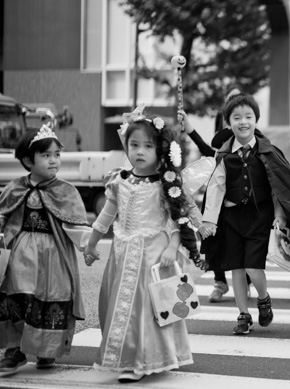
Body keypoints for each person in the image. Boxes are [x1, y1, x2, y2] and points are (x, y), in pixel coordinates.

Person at [82, 108, 200, 382]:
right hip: (123, 255)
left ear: (160, 150)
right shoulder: (119, 181)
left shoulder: (165, 184)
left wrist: (173, 247)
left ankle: (146, 360)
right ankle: (129, 357)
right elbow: (106, 216)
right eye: (134, 145)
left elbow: (175, 219)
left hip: (153, 256)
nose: (140, 151)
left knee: (149, 309)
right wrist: (91, 243)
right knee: (123, 308)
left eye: (148, 146)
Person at [199, 93, 290, 335]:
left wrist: (280, 216)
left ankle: (264, 298)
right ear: (228, 123)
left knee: (253, 267)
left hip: (260, 218)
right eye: (237, 117)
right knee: (236, 267)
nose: (243, 122)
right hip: (231, 219)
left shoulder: (268, 151)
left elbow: (279, 188)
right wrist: (209, 221)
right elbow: (216, 188)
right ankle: (243, 315)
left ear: (256, 120)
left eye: (248, 116)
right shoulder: (224, 155)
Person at [0, 126, 89, 374]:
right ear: (29, 160)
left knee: (50, 296)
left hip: (54, 255)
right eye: (46, 155)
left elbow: (75, 225)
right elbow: (2, 216)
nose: (54, 160)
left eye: (57, 155)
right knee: (19, 295)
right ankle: (14, 351)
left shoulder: (66, 191)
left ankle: (46, 350)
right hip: (20, 253)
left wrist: (88, 246)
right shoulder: (15, 188)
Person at [178, 108, 255, 303]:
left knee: (243, 249)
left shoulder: (251, 153)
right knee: (214, 245)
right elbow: (204, 147)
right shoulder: (218, 154)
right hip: (216, 210)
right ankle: (220, 282)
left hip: (242, 211)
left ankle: (245, 283)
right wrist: (188, 128)